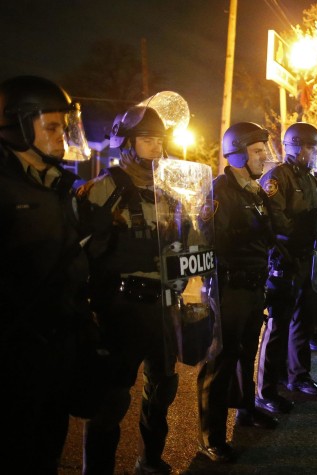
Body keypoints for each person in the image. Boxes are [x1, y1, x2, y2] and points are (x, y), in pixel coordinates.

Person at [0, 75, 94, 473]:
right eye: (51, 127)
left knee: (48, 451)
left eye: (64, 127)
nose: (62, 138)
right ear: (20, 126)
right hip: (14, 357)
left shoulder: (61, 186)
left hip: (58, 348)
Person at [80, 105, 179, 474]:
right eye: (147, 139)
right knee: (111, 400)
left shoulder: (169, 190)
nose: (155, 146)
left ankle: (150, 460)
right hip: (121, 307)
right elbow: (84, 252)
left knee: (163, 388)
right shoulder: (106, 188)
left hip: (163, 305)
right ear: (126, 143)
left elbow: (186, 242)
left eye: (159, 139)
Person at [196, 122, 280, 463]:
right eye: (257, 151)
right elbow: (210, 238)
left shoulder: (255, 191)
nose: (264, 157)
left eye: (264, 150)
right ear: (238, 153)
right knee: (220, 360)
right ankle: (210, 436)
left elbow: (268, 234)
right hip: (228, 287)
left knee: (246, 354)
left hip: (254, 285)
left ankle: (246, 410)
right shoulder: (221, 190)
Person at [257, 121, 317, 413]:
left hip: (305, 260)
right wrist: (303, 227)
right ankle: (266, 391)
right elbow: (275, 222)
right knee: (277, 327)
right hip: (283, 261)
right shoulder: (277, 177)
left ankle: (298, 376)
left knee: (302, 321)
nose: (314, 153)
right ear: (296, 146)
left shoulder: (311, 178)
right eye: (311, 147)